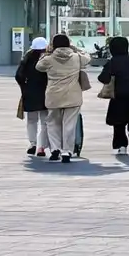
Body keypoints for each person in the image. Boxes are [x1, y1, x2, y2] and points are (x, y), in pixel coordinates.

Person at [35, 34, 86, 162]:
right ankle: (67, 151)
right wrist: (75, 48)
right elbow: (88, 58)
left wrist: (48, 52)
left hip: (53, 95)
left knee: (52, 123)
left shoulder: (49, 59)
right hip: (73, 95)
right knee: (69, 124)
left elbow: (38, 66)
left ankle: (55, 149)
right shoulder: (77, 57)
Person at [16, 36, 50, 157]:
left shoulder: (27, 59)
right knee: (45, 121)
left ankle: (32, 144)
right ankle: (41, 147)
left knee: (31, 120)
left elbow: (18, 76)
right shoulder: (47, 59)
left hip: (29, 92)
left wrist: (24, 87)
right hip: (45, 92)